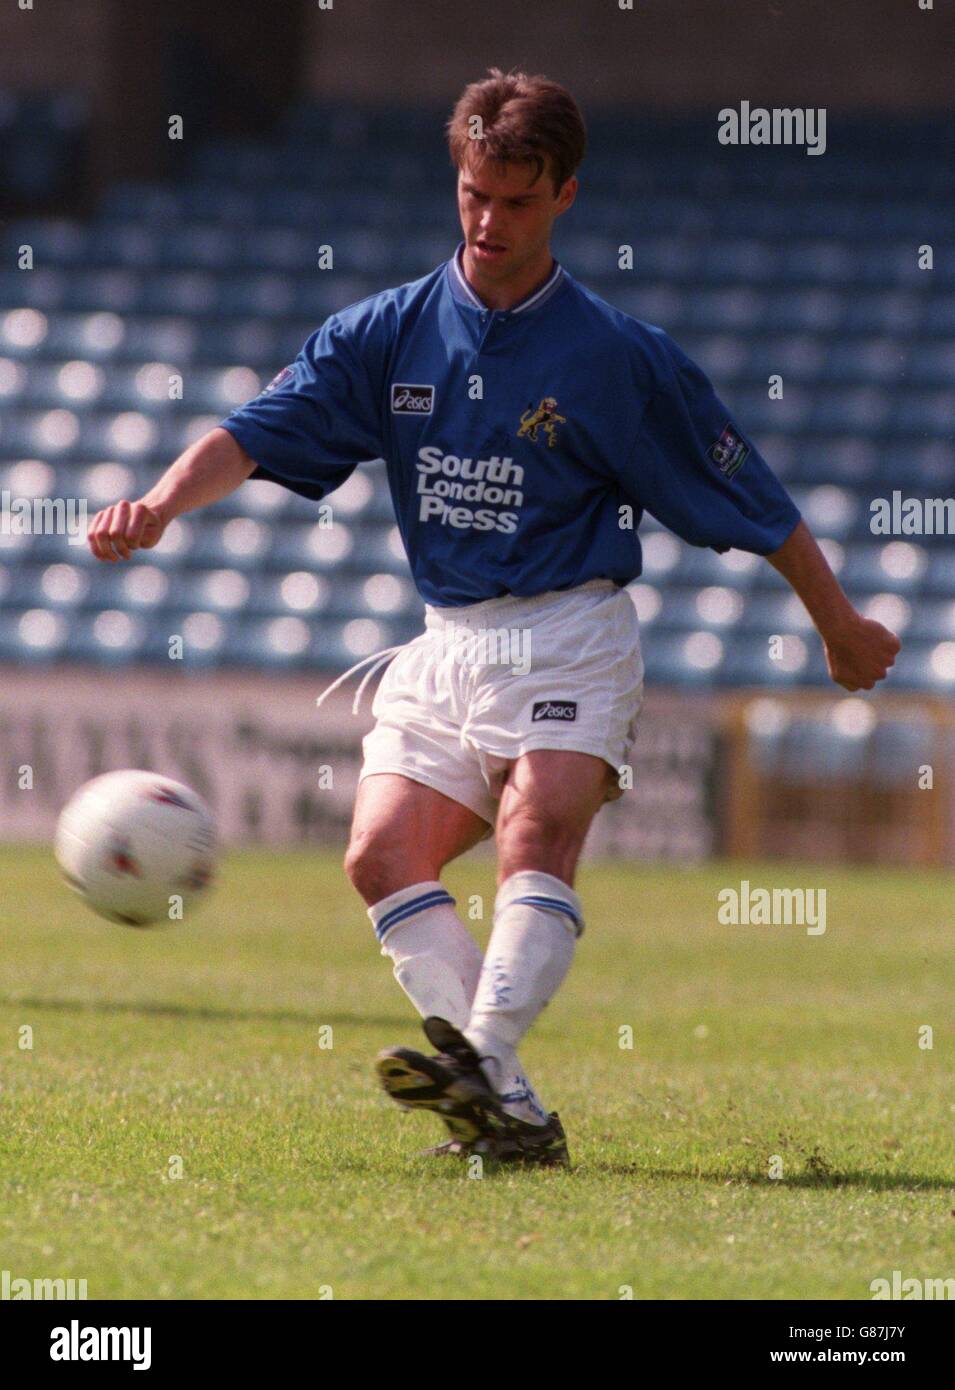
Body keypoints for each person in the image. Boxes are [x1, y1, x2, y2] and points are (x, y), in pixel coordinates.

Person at [88, 68, 900, 1166]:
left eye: (515, 202)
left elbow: (750, 500)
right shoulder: (388, 331)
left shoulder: (618, 357)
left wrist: (838, 624)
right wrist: (160, 506)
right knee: (378, 855)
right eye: (473, 193)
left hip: (569, 627)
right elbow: (254, 431)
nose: (487, 221)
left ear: (564, 196)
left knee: (536, 831)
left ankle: (479, 1053)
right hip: (445, 640)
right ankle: (507, 1108)